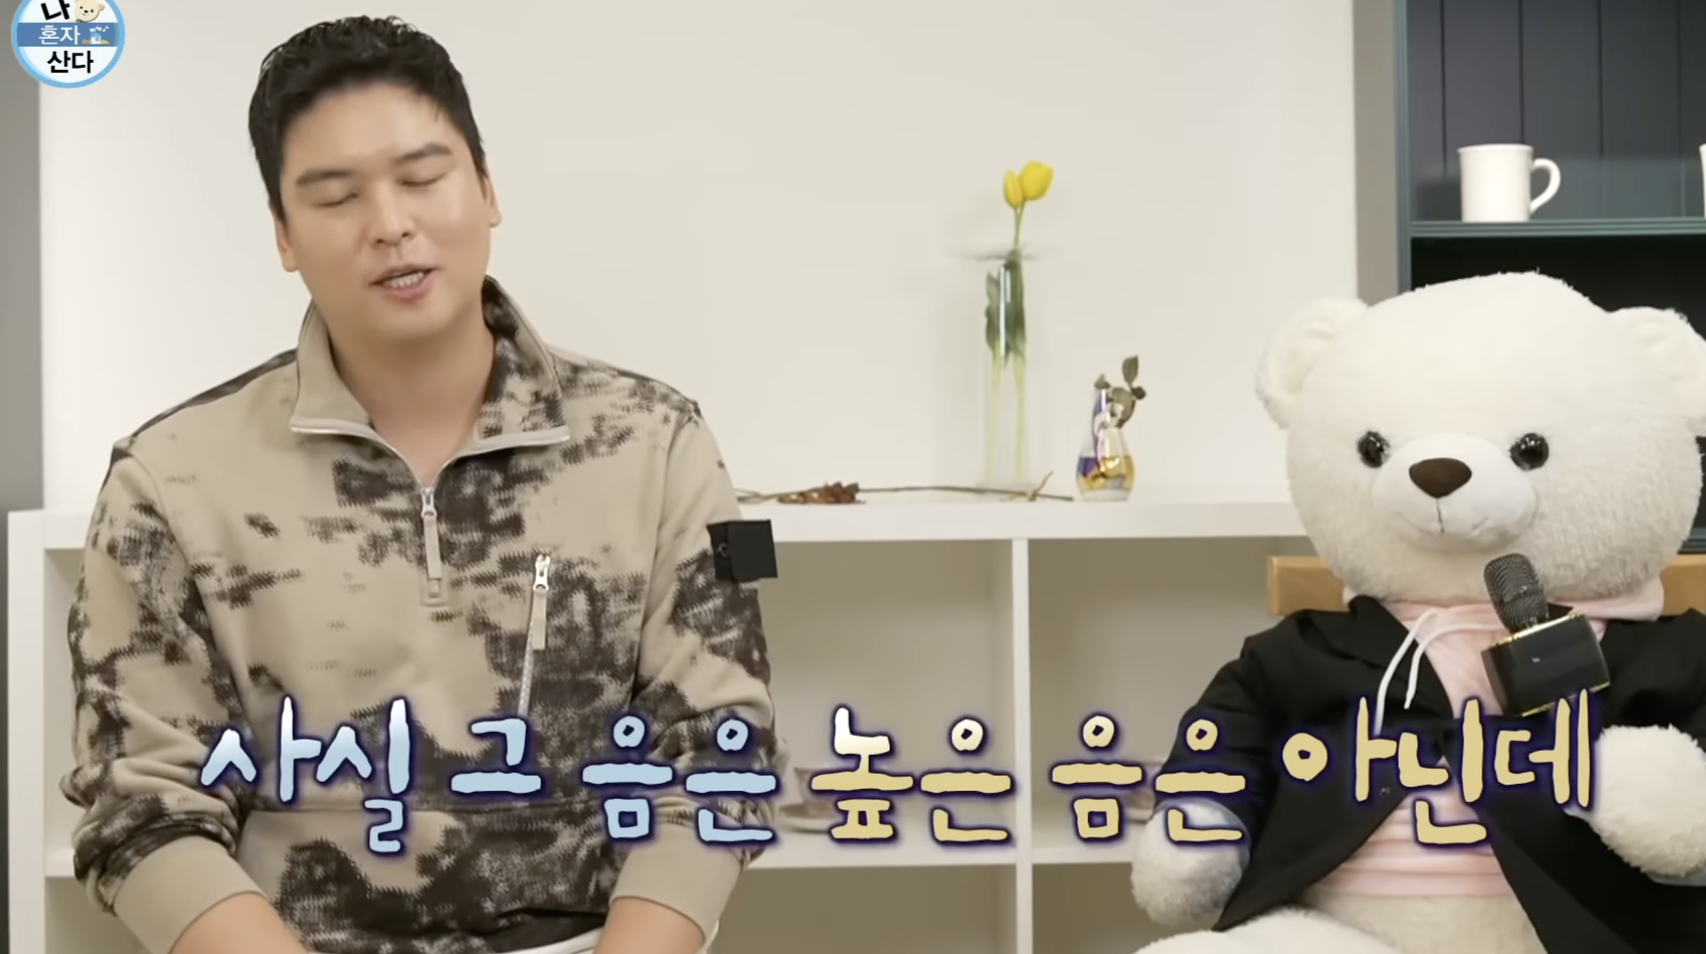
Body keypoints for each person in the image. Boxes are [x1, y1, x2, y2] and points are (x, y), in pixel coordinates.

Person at [59, 15, 781, 954]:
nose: (390, 224)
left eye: (422, 177)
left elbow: (717, 754)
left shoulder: (658, 443)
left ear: (486, 188)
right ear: (283, 234)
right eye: (335, 196)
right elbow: (142, 807)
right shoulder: (169, 479)